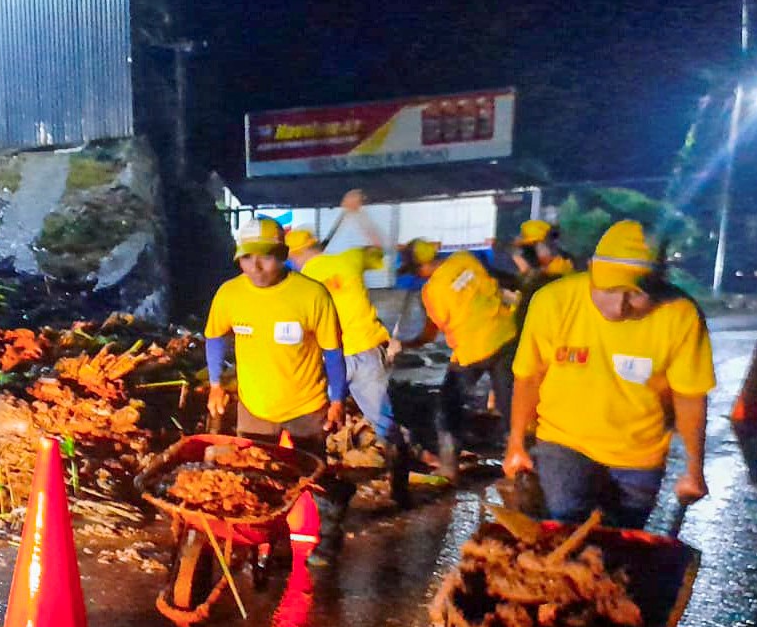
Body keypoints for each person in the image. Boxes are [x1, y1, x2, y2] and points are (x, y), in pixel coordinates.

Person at [502, 220, 713, 529]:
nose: (619, 307)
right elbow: (529, 376)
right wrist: (517, 443)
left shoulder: (680, 315)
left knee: (621, 542)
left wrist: (695, 468)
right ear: (590, 269)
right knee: (568, 527)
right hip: (564, 441)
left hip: (640, 454)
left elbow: (690, 396)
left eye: (636, 295)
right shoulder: (553, 302)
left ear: (659, 284)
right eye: (609, 290)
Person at [205, 216, 351, 563]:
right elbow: (214, 336)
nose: (254, 267)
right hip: (255, 405)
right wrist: (214, 384)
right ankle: (263, 540)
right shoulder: (229, 293)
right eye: (246, 257)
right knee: (253, 475)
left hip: (306, 403)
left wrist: (337, 399)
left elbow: (333, 352)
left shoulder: (312, 294)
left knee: (311, 475)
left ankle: (331, 525)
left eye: (265, 256)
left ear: (283, 254)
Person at [285, 189, 410, 505]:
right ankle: (400, 488)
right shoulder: (349, 258)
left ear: (294, 255)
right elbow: (386, 250)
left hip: (329, 360)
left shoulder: (298, 284)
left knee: (316, 425)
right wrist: (358, 214)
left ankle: (321, 493)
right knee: (385, 423)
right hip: (367, 351)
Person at [399, 238, 519, 482]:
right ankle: (519, 465)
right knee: (512, 409)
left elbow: (430, 333)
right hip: (505, 337)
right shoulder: (465, 258)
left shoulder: (431, 291)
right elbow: (496, 283)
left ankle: (449, 468)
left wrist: (405, 344)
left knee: (448, 407)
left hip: (472, 350)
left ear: (421, 268)